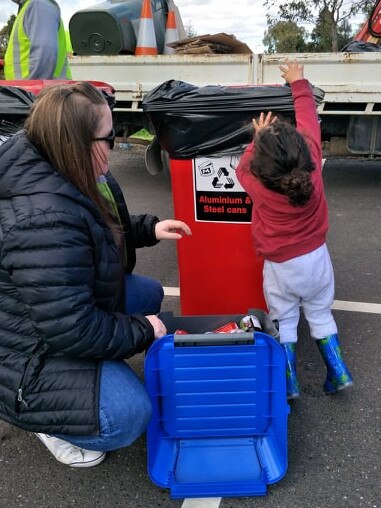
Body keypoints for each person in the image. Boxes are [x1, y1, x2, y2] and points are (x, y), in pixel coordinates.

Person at [0, 81, 191, 467]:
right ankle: (48, 422)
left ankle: (90, 380)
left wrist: (147, 229)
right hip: (25, 358)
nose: (115, 144)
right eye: (109, 136)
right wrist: (142, 331)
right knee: (127, 416)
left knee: (147, 294)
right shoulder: (43, 219)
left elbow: (93, 228)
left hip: (46, 321)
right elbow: (72, 328)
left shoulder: (59, 167)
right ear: (78, 142)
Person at [236, 59, 353, 399]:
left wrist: (256, 138)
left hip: (281, 268)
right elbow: (308, 120)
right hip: (317, 261)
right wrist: (298, 82)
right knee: (319, 314)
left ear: (262, 167)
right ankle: (338, 372)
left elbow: (242, 170)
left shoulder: (256, 185)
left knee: (284, 320)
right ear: (304, 150)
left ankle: (289, 383)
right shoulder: (314, 168)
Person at [4, 0, 72, 80]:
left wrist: (33, 89)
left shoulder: (38, 5)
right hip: (31, 90)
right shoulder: (33, 6)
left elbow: (45, 51)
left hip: (39, 90)